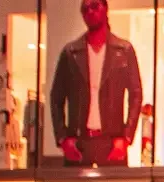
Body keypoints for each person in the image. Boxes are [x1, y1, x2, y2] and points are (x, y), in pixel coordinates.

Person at [49, 0, 143, 167]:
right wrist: (63, 138)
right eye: (85, 9)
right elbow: (56, 97)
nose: (90, 12)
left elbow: (136, 95)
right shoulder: (71, 52)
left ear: (105, 8)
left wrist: (126, 137)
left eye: (95, 6)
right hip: (78, 142)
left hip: (112, 141)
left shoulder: (123, 50)